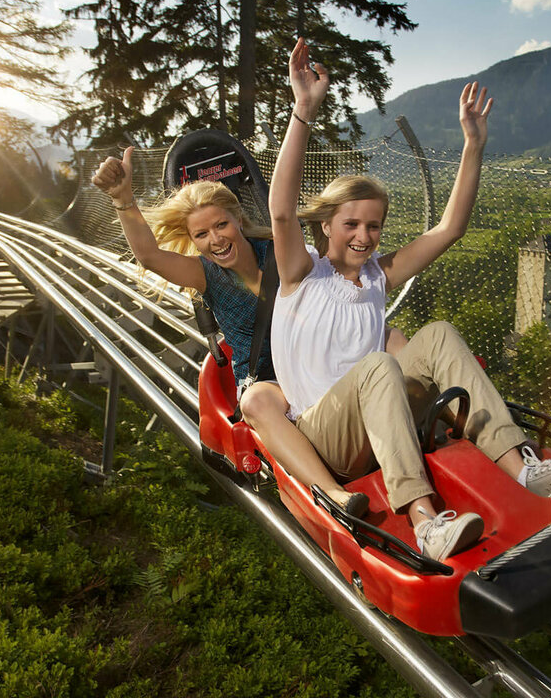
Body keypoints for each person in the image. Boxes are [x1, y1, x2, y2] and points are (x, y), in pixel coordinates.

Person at [269, 38, 551, 562]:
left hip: (381, 418)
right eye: (351, 223)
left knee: (438, 332)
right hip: (327, 434)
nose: (363, 234)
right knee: (379, 364)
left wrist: (473, 145)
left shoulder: (379, 275)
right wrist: (303, 109)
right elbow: (282, 212)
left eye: (373, 225)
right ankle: (424, 521)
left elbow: (450, 228)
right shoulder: (302, 272)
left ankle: (524, 468)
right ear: (327, 225)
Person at [92, 147, 389, 515]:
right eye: (201, 235)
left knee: (390, 337)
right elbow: (150, 256)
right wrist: (124, 201)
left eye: (221, 225)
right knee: (255, 402)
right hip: (270, 379)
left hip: (318, 362)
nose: (215, 240)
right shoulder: (206, 274)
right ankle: (333, 495)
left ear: (239, 220)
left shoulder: (282, 253)